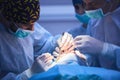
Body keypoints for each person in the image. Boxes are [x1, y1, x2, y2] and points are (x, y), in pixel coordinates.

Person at [0, 0, 64, 80]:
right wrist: (28, 74)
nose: (32, 30)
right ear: (8, 20)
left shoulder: (26, 18)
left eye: (34, 24)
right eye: (27, 26)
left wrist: (57, 42)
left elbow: (43, 45)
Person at [74, 0, 120, 70]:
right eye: (85, 4)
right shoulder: (94, 21)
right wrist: (83, 59)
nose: (87, 9)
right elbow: (94, 60)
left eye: (93, 4)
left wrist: (106, 49)